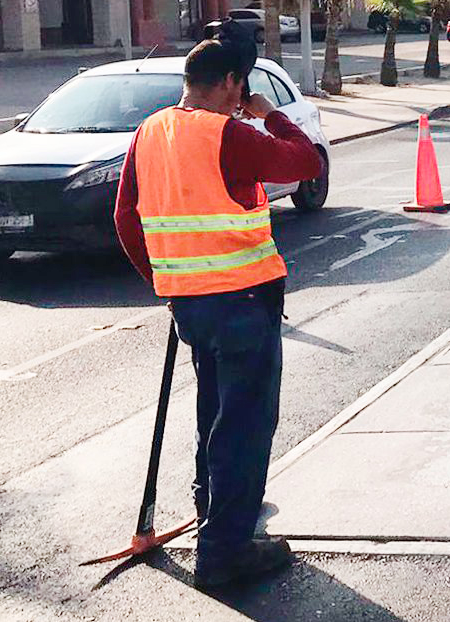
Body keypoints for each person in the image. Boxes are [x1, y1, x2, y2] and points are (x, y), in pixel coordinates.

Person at [114, 39, 321, 589]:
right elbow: (306, 161)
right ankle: (225, 551)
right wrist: (270, 114)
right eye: (242, 87)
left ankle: (214, 506)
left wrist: (165, 281)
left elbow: (126, 217)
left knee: (214, 408)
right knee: (246, 424)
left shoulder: (150, 131)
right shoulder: (228, 133)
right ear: (231, 82)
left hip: (191, 304)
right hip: (241, 300)